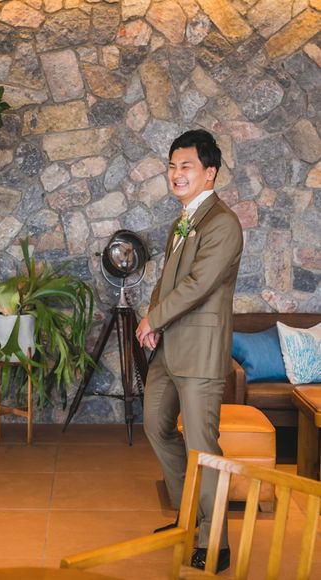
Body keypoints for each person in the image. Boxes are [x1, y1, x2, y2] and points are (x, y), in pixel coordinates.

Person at [136, 130, 243, 574]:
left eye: (186, 166)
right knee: (156, 426)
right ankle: (188, 520)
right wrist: (153, 316)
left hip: (199, 353)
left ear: (209, 173)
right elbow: (168, 281)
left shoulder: (223, 223)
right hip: (169, 348)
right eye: (172, 166)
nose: (176, 174)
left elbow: (199, 285)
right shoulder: (181, 221)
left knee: (203, 448)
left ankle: (215, 543)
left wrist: (153, 320)